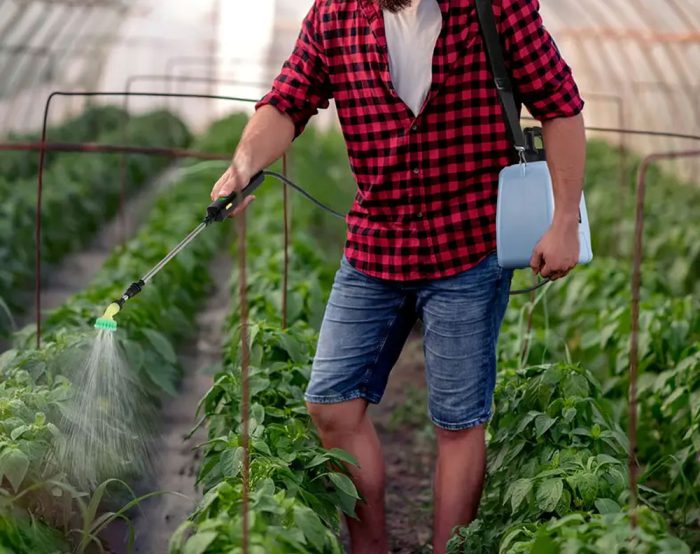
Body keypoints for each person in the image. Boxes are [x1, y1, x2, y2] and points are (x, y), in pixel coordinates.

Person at [210, 0, 585, 551]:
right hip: (377, 244)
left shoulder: (496, 7)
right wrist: (244, 164)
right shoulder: (336, 13)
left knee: (458, 422)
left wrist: (564, 221)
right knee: (331, 406)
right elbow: (288, 103)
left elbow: (560, 107)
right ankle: (371, 547)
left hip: (468, 243)